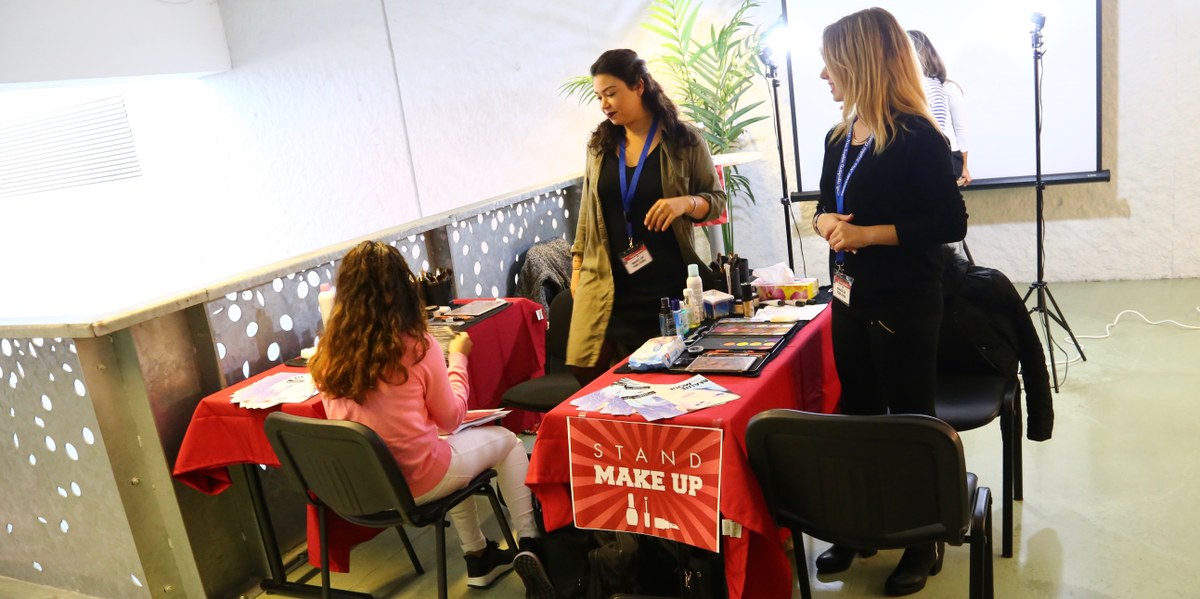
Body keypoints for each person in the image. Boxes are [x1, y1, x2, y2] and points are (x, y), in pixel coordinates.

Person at [812, 8, 968, 596]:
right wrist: (827, 220)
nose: (824, 76)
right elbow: (825, 203)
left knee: (908, 419)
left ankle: (920, 539)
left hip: (904, 301)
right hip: (849, 298)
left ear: (859, 61)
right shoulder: (839, 137)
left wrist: (866, 235)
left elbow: (949, 220)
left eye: (830, 63)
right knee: (857, 412)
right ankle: (860, 527)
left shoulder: (921, 137)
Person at [308, 240, 554, 598]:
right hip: (419, 479)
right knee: (507, 444)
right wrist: (458, 359)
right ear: (400, 290)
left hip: (363, 488)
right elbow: (451, 418)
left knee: (452, 455)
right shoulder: (417, 345)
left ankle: (479, 558)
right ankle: (533, 544)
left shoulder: (327, 353)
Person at [567, 48, 726, 384]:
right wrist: (578, 267)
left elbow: (716, 201)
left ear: (639, 86)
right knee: (590, 374)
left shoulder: (683, 140)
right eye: (599, 97)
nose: (604, 104)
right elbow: (588, 212)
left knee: (667, 381)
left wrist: (685, 203)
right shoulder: (599, 145)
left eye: (612, 93)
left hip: (668, 286)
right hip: (610, 286)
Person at [908, 29, 972, 187]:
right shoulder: (903, 90)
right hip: (917, 155)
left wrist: (964, 166)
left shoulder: (947, 88)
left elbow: (961, 128)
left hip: (947, 155)